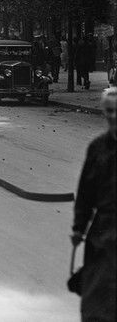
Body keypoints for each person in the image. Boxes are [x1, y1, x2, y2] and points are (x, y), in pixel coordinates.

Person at [70, 87, 116, 322]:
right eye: (109, 111)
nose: (113, 116)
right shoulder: (97, 148)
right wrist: (79, 227)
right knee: (96, 299)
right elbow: (86, 192)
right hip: (103, 231)